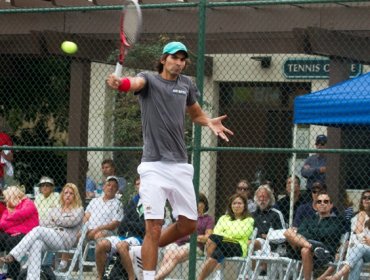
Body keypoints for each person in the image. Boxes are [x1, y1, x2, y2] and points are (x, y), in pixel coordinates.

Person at [106, 41, 233, 280]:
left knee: (189, 225)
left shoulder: (186, 84)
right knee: (153, 227)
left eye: (183, 59)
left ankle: (141, 249)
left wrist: (208, 121)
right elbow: (133, 83)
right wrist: (120, 83)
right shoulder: (149, 80)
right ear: (164, 59)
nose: (180, 63)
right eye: (175, 57)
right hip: (153, 167)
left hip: (180, 166)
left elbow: (195, 114)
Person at [0, 183, 84, 280]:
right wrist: (56, 220)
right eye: (66, 193)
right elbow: (44, 222)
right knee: (36, 243)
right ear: (62, 195)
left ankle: (14, 255)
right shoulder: (56, 209)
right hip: (52, 235)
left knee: (38, 230)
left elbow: (70, 222)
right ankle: (32, 278)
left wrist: (55, 219)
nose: (68, 195)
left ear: (75, 196)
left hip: (65, 239)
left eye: (71, 193)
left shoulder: (79, 209)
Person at [283, 192, 346, 280]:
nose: (322, 204)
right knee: (288, 232)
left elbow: (327, 233)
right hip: (306, 247)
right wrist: (309, 239)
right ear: (315, 206)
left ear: (331, 205)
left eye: (326, 201)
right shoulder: (309, 219)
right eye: (319, 202)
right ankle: (310, 245)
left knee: (305, 250)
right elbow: (301, 232)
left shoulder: (337, 221)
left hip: (324, 252)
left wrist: (308, 234)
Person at [95, 176, 145, 280]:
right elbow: (123, 224)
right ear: (135, 187)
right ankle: (100, 276)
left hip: (139, 238)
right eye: (138, 184)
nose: (140, 186)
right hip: (123, 236)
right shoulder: (133, 202)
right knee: (101, 244)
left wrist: (130, 223)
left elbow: (144, 228)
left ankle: (131, 277)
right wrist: (133, 223)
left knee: (121, 246)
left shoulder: (151, 202)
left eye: (142, 183)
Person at [155, 193, 214, 280]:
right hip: (177, 244)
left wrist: (190, 237)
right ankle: (158, 278)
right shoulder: (185, 217)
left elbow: (207, 237)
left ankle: (155, 278)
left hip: (195, 246)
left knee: (175, 255)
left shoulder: (208, 219)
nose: (195, 205)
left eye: (198, 202)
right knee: (169, 253)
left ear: (204, 205)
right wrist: (193, 236)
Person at [197, 193, 254, 280]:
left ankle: (208, 263)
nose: (236, 205)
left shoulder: (249, 219)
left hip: (238, 246)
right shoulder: (223, 218)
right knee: (215, 256)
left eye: (239, 203)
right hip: (222, 246)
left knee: (213, 238)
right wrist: (228, 234)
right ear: (230, 206)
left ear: (244, 206)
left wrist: (224, 233)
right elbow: (217, 232)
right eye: (234, 203)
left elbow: (242, 234)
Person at [319, 189, 370, 280]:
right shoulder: (357, 215)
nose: (366, 200)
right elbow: (355, 236)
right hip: (356, 250)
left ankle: (336, 276)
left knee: (358, 248)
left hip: (364, 249)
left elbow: (359, 236)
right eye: (364, 198)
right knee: (358, 262)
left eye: (369, 198)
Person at [0, 186, 39, 279]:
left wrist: (10, 220)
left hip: (29, 234)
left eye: (7, 197)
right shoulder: (9, 207)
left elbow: (22, 214)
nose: (5, 200)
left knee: (12, 241)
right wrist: (15, 223)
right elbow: (2, 224)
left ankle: (12, 276)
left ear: (12, 195)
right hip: (14, 232)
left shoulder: (28, 203)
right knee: (3, 237)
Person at [253, 185, 285, 250]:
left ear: (269, 198)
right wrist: (261, 235)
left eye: (264, 197)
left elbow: (282, 234)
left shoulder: (276, 214)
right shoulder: (252, 215)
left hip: (271, 246)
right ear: (256, 199)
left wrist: (268, 236)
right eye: (260, 197)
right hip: (254, 244)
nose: (262, 199)